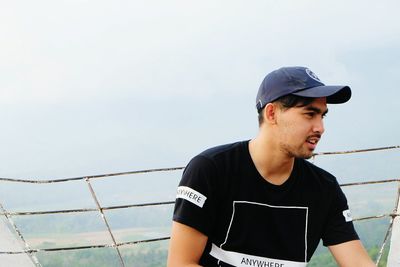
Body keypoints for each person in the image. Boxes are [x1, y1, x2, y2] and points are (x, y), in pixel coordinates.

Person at [167, 66, 375, 267]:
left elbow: (357, 262)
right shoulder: (211, 170)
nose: (320, 128)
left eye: (322, 115)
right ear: (272, 113)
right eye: (309, 114)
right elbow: (180, 263)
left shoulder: (324, 188)